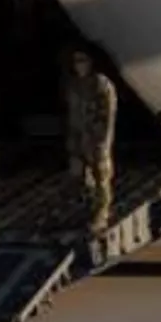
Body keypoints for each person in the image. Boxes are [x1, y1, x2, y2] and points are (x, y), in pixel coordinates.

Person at [63, 48, 118, 232]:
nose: (79, 65)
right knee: (78, 176)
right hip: (79, 134)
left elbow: (108, 114)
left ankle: (102, 213)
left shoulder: (101, 84)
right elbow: (72, 112)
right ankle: (83, 210)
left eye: (82, 60)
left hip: (95, 136)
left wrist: (103, 141)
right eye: (76, 61)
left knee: (101, 176)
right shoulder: (74, 85)